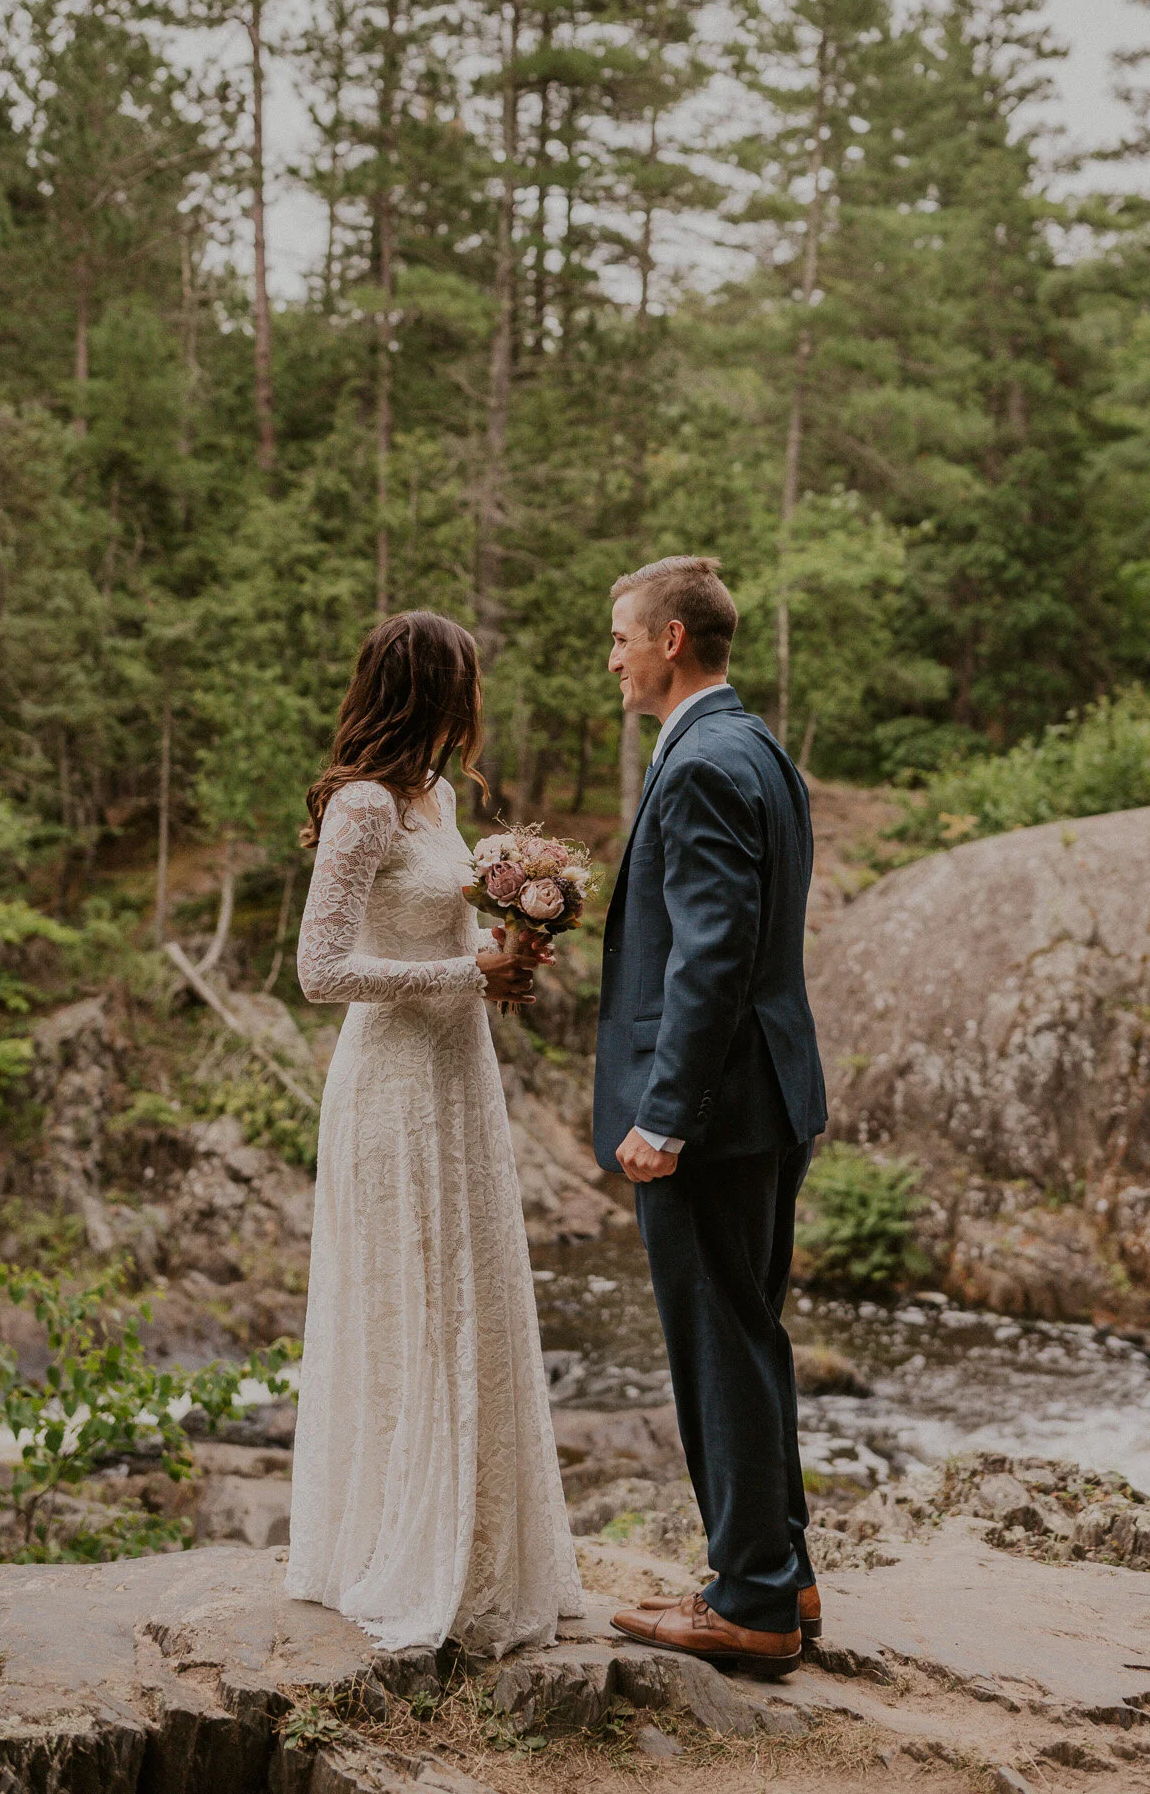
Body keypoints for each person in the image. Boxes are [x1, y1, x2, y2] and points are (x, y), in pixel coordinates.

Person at [286, 610, 584, 1655]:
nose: (477, 701)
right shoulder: (362, 807)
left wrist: (505, 959)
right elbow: (319, 972)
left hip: (461, 1071)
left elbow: (450, 934)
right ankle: (394, 1543)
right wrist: (464, 972)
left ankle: (483, 1539)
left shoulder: (441, 798)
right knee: (411, 1296)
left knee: (468, 1292)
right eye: (466, 682)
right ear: (431, 690)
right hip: (393, 1082)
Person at [594, 556, 829, 1679]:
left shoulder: (697, 763)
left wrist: (664, 1116)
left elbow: (714, 953)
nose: (615, 656)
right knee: (751, 1328)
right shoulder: (758, 745)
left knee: (716, 1341)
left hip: (718, 1110)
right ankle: (782, 1567)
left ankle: (749, 1601)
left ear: (672, 638)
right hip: (771, 1095)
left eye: (623, 636)